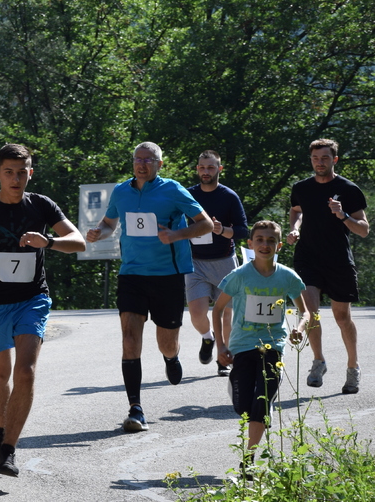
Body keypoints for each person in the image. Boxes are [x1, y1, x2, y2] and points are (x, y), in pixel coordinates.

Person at [0, 144, 86, 477]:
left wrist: (48, 242)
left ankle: (9, 449)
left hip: (32, 299)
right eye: (9, 172)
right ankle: (4, 428)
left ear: (30, 173)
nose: (16, 179)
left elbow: (78, 241)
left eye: (22, 172)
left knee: (25, 372)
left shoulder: (42, 206)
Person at [85, 142, 213, 433]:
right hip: (132, 273)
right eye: (137, 159)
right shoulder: (121, 191)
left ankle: (171, 356)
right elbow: (109, 223)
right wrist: (98, 233)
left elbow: (205, 224)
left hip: (168, 275)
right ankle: (135, 408)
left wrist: (176, 234)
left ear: (159, 164)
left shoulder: (173, 190)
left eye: (148, 160)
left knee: (166, 341)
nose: (142, 164)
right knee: (129, 338)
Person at [214, 220, 310, 479]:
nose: (265, 245)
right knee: (244, 406)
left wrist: (300, 328)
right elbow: (218, 309)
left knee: (261, 402)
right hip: (242, 346)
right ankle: (248, 397)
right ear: (250, 244)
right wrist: (221, 345)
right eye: (260, 240)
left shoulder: (287, 277)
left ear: (279, 246)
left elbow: (306, 312)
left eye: (270, 241)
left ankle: (248, 459)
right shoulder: (240, 275)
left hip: (273, 346)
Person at [286, 138, 369, 393]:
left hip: (338, 261)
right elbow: (296, 210)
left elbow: (363, 229)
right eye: (315, 158)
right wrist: (295, 228)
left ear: (335, 159)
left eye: (324, 158)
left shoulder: (348, 189)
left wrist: (342, 215)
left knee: (342, 318)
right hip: (307, 258)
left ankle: (353, 367)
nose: (319, 162)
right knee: (310, 313)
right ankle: (318, 361)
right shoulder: (301, 187)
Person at [185, 150, 249, 377]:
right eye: (202, 167)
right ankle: (207, 338)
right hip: (195, 263)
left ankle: (224, 358)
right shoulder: (188, 195)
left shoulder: (229, 196)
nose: (206, 171)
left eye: (211, 167)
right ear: (197, 169)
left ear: (219, 169)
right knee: (196, 313)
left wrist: (223, 230)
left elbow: (243, 230)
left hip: (224, 262)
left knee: (226, 316)